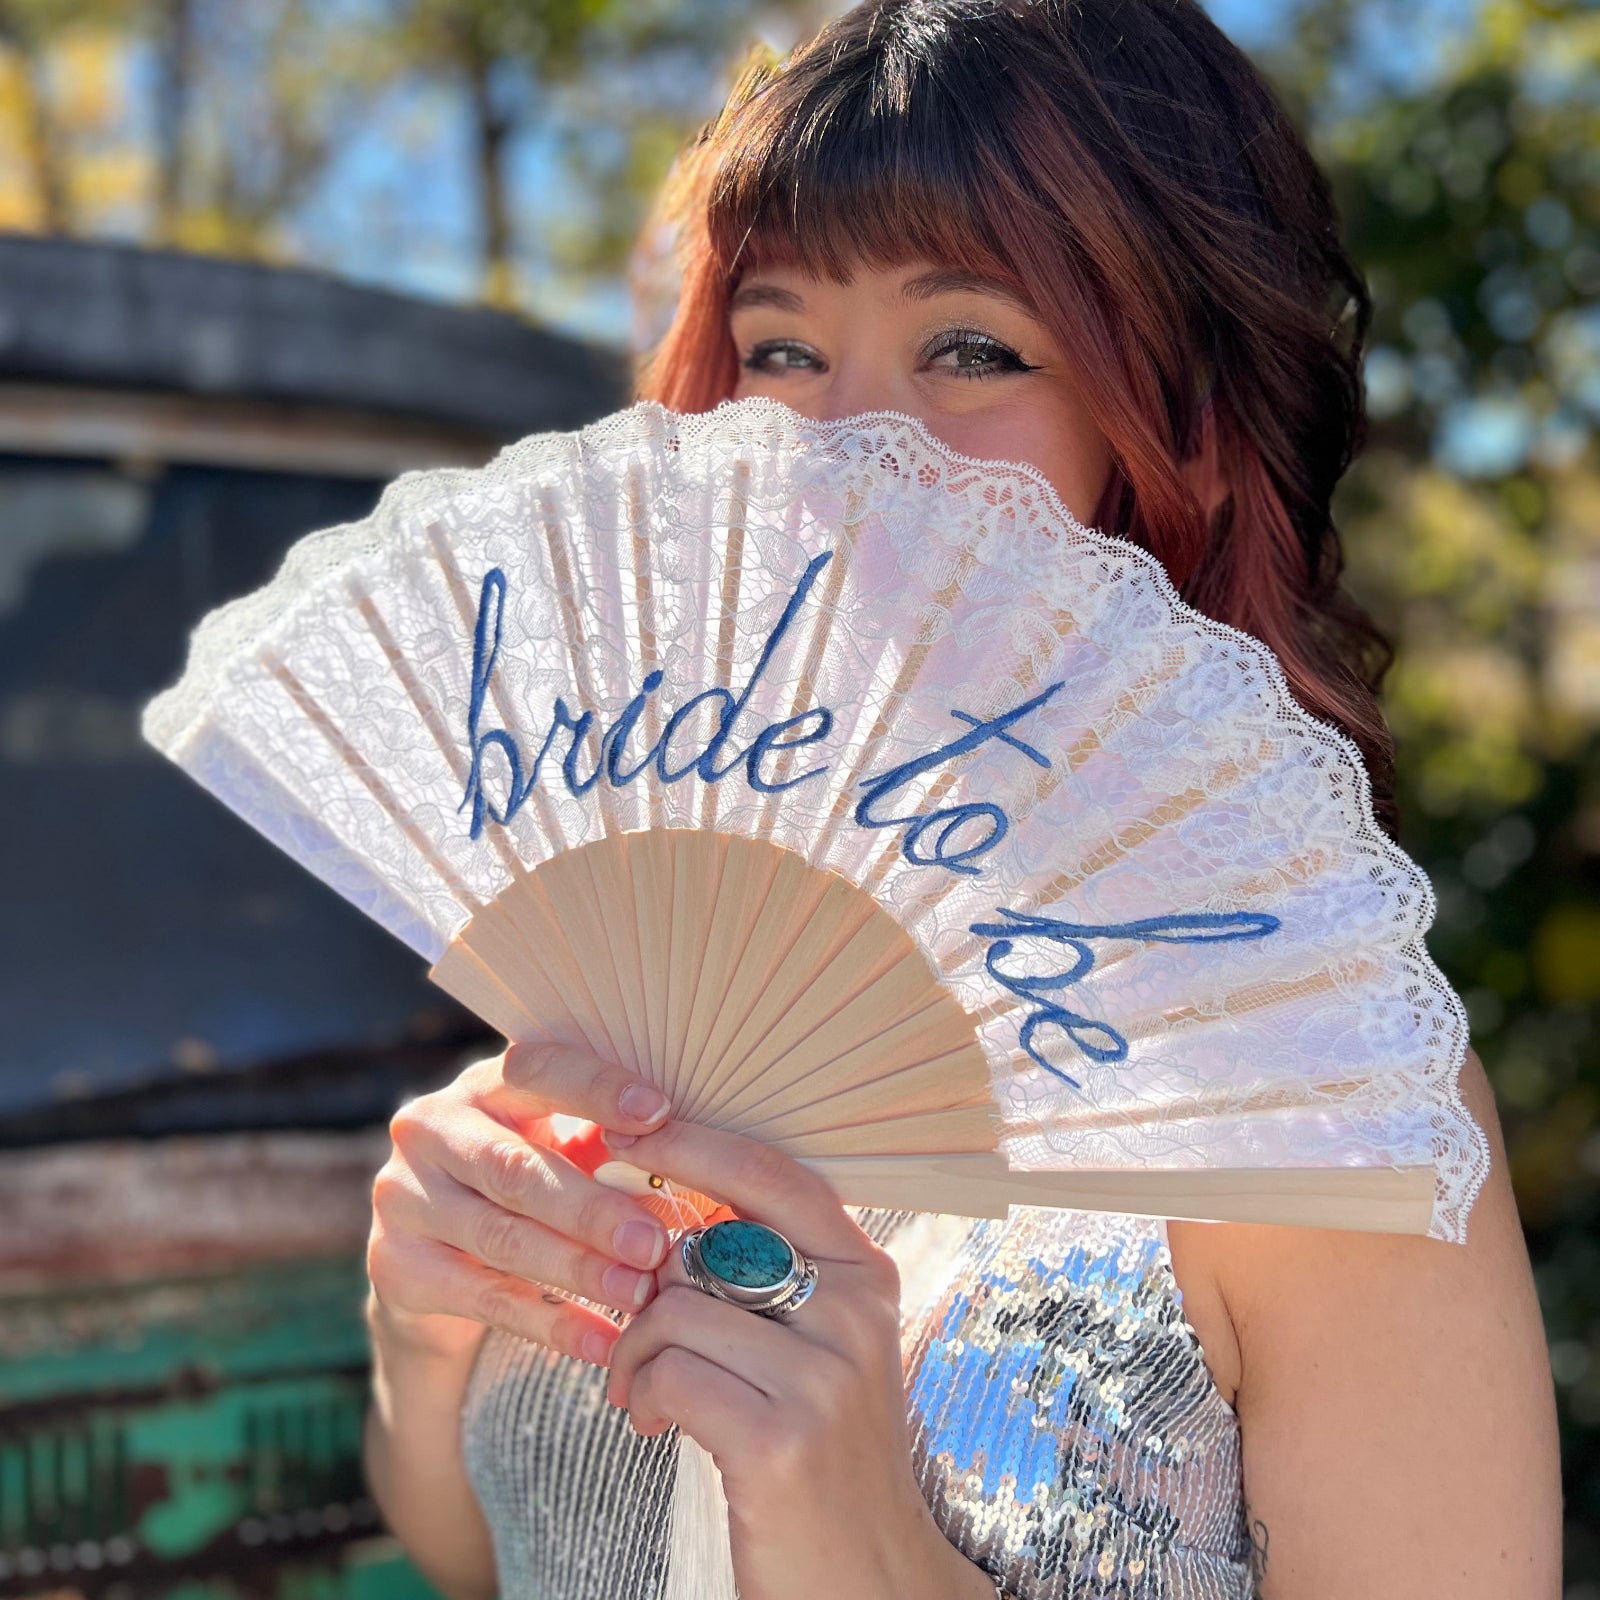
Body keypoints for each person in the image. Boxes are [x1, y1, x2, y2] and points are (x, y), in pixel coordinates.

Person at [360, 3, 1563, 1596]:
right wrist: (424, 1330)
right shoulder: (649, 976)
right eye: (784, 348)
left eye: (972, 349)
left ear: (1184, 437)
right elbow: (479, 1551)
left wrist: (872, 1546)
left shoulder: (1317, 1098)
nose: (843, 446)